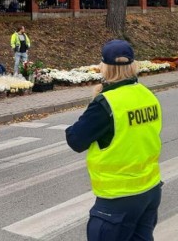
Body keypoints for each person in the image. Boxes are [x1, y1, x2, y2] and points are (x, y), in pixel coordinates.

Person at [65, 40, 163, 241]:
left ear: (105, 67)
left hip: (117, 199)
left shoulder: (105, 104)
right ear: (133, 66)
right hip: (150, 191)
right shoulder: (148, 95)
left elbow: (75, 140)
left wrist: (96, 100)